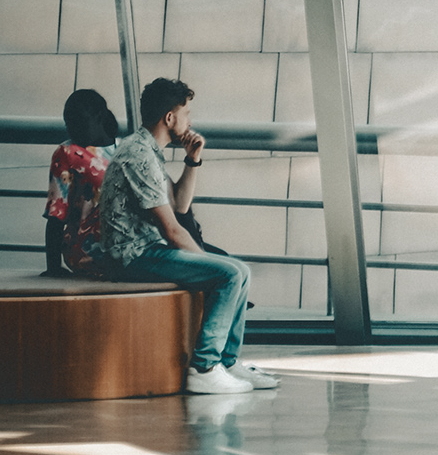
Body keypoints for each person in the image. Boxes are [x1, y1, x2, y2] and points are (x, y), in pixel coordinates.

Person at [97, 79, 275, 396]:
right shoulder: (138, 156)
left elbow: (179, 205)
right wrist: (207, 263)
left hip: (147, 249)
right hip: (133, 256)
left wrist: (192, 160)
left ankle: (227, 362)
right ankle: (205, 368)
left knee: (238, 269)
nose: (190, 121)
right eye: (186, 112)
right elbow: (172, 229)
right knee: (229, 274)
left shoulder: (148, 151)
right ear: (169, 118)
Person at [44, 88, 119, 277]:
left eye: (78, 122)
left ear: (98, 116)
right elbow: (56, 213)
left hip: (126, 251)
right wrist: (53, 269)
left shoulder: (125, 148)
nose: (72, 129)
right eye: (68, 123)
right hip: (89, 256)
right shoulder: (68, 153)